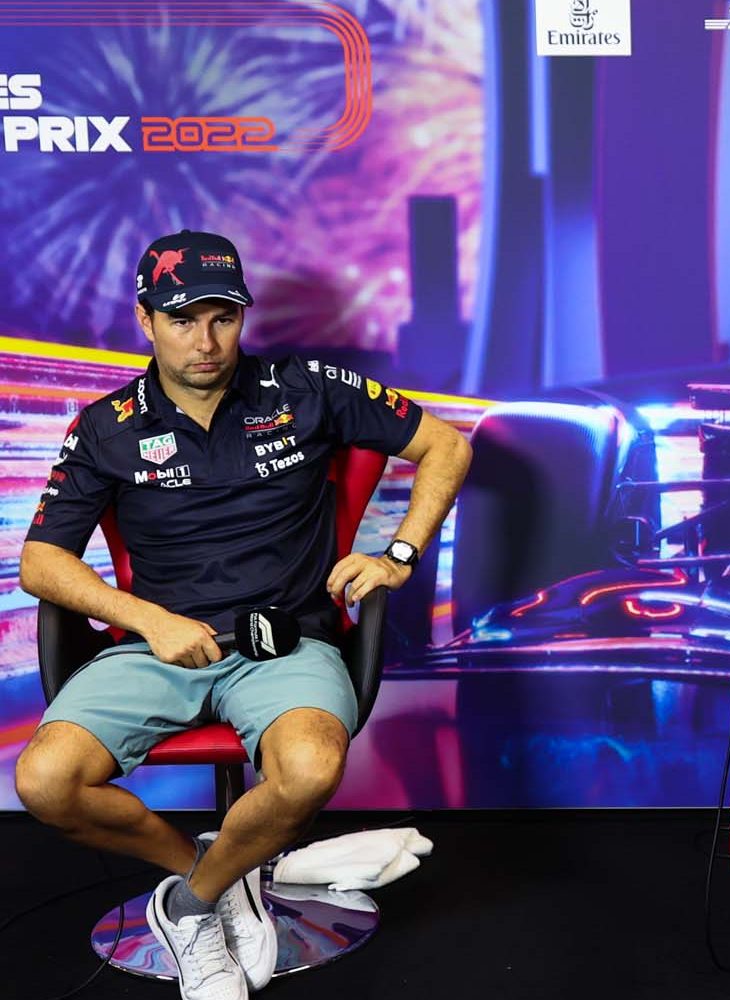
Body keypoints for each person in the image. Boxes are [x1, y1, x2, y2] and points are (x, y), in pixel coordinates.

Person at [15, 230, 472, 1000]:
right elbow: (40, 562)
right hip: (158, 647)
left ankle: (190, 906)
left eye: (222, 317)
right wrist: (147, 619)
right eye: (182, 318)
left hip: (285, 644)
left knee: (311, 767)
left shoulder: (306, 385)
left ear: (242, 317)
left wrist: (397, 554)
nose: (205, 339)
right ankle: (226, 876)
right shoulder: (106, 424)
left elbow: (446, 446)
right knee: (46, 783)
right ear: (146, 319)